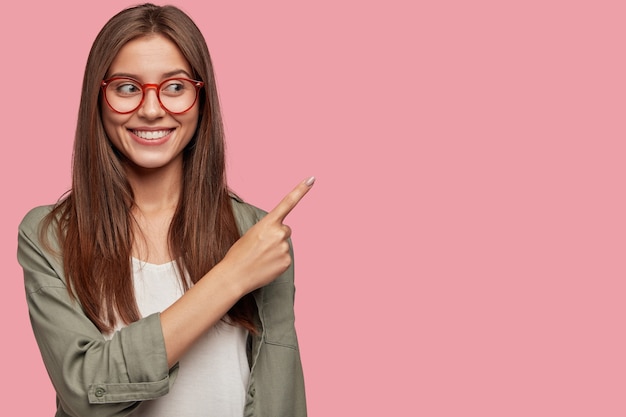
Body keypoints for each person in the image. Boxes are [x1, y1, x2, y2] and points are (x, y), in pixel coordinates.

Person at [17, 3, 312, 417]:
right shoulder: (51, 236)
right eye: (127, 87)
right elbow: (86, 392)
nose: (152, 109)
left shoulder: (255, 234)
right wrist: (231, 276)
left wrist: (249, 260)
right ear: (98, 98)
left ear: (200, 98)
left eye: (175, 87)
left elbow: (281, 399)